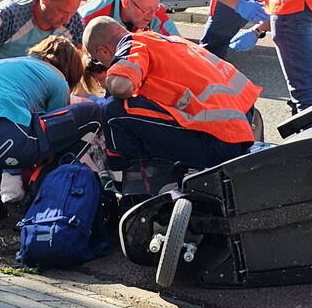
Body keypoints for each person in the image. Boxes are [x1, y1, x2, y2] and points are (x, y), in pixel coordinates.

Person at [83, 16, 261, 192]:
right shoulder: (172, 41)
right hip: (241, 133)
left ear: (103, 52)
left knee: (113, 110)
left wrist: (113, 74)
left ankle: (126, 188)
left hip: (215, 143)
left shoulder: (132, 43)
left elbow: (121, 87)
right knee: (138, 110)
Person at [0, 36, 102, 218]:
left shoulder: (3, 64)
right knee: (92, 113)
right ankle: (41, 196)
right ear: (71, 69)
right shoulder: (58, 79)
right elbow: (56, 136)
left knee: (2, 120)